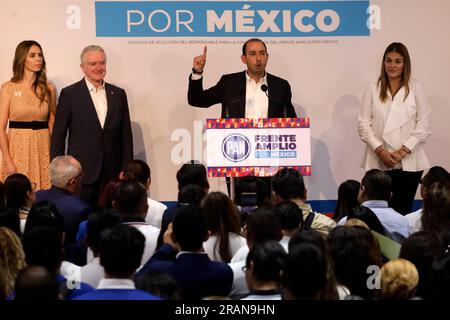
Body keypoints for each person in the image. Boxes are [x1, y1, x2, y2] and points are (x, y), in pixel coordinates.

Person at [51, 45, 133, 208]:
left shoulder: (118, 94)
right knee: (82, 219)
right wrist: (58, 171)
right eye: (93, 63)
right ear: (83, 67)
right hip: (81, 173)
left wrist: (126, 169)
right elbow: (59, 135)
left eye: (102, 63)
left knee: (111, 221)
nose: (98, 67)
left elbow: (126, 136)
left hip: (112, 172)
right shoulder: (70, 94)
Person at [358, 42, 431, 215]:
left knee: (402, 212)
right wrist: (380, 151)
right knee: (378, 213)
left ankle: (400, 243)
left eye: (398, 61)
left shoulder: (415, 87)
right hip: (378, 160)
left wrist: (403, 151)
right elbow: (363, 124)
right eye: (388, 60)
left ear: (405, 64)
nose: (392, 65)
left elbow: (424, 124)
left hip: (409, 161)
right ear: (383, 62)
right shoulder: (373, 87)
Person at [188, 38, 296, 119]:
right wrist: (197, 72)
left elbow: (292, 121)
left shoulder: (281, 86)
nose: (258, 59)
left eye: (262, 53)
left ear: (267, 57)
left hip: (270, 145)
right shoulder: (229, 83)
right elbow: (197, 100)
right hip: (236, 144)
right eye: (253, 54)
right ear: (244, 59)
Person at [0, 40, 56, 191]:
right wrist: (7, 160)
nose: (38, 59)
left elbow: (52, 125)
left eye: (40, 55)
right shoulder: (8, 88)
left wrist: (54, 156)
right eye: (32, 55)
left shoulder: (49, 88)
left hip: (43, 146)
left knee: (42, 193)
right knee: (17, 194)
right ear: (22, 59)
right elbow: (1, 127)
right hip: (17, 148)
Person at [35, 156, 92, 246]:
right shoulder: (81, 209)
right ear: (73, 181)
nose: (82, 178)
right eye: (81, 175)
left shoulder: (36, 196)